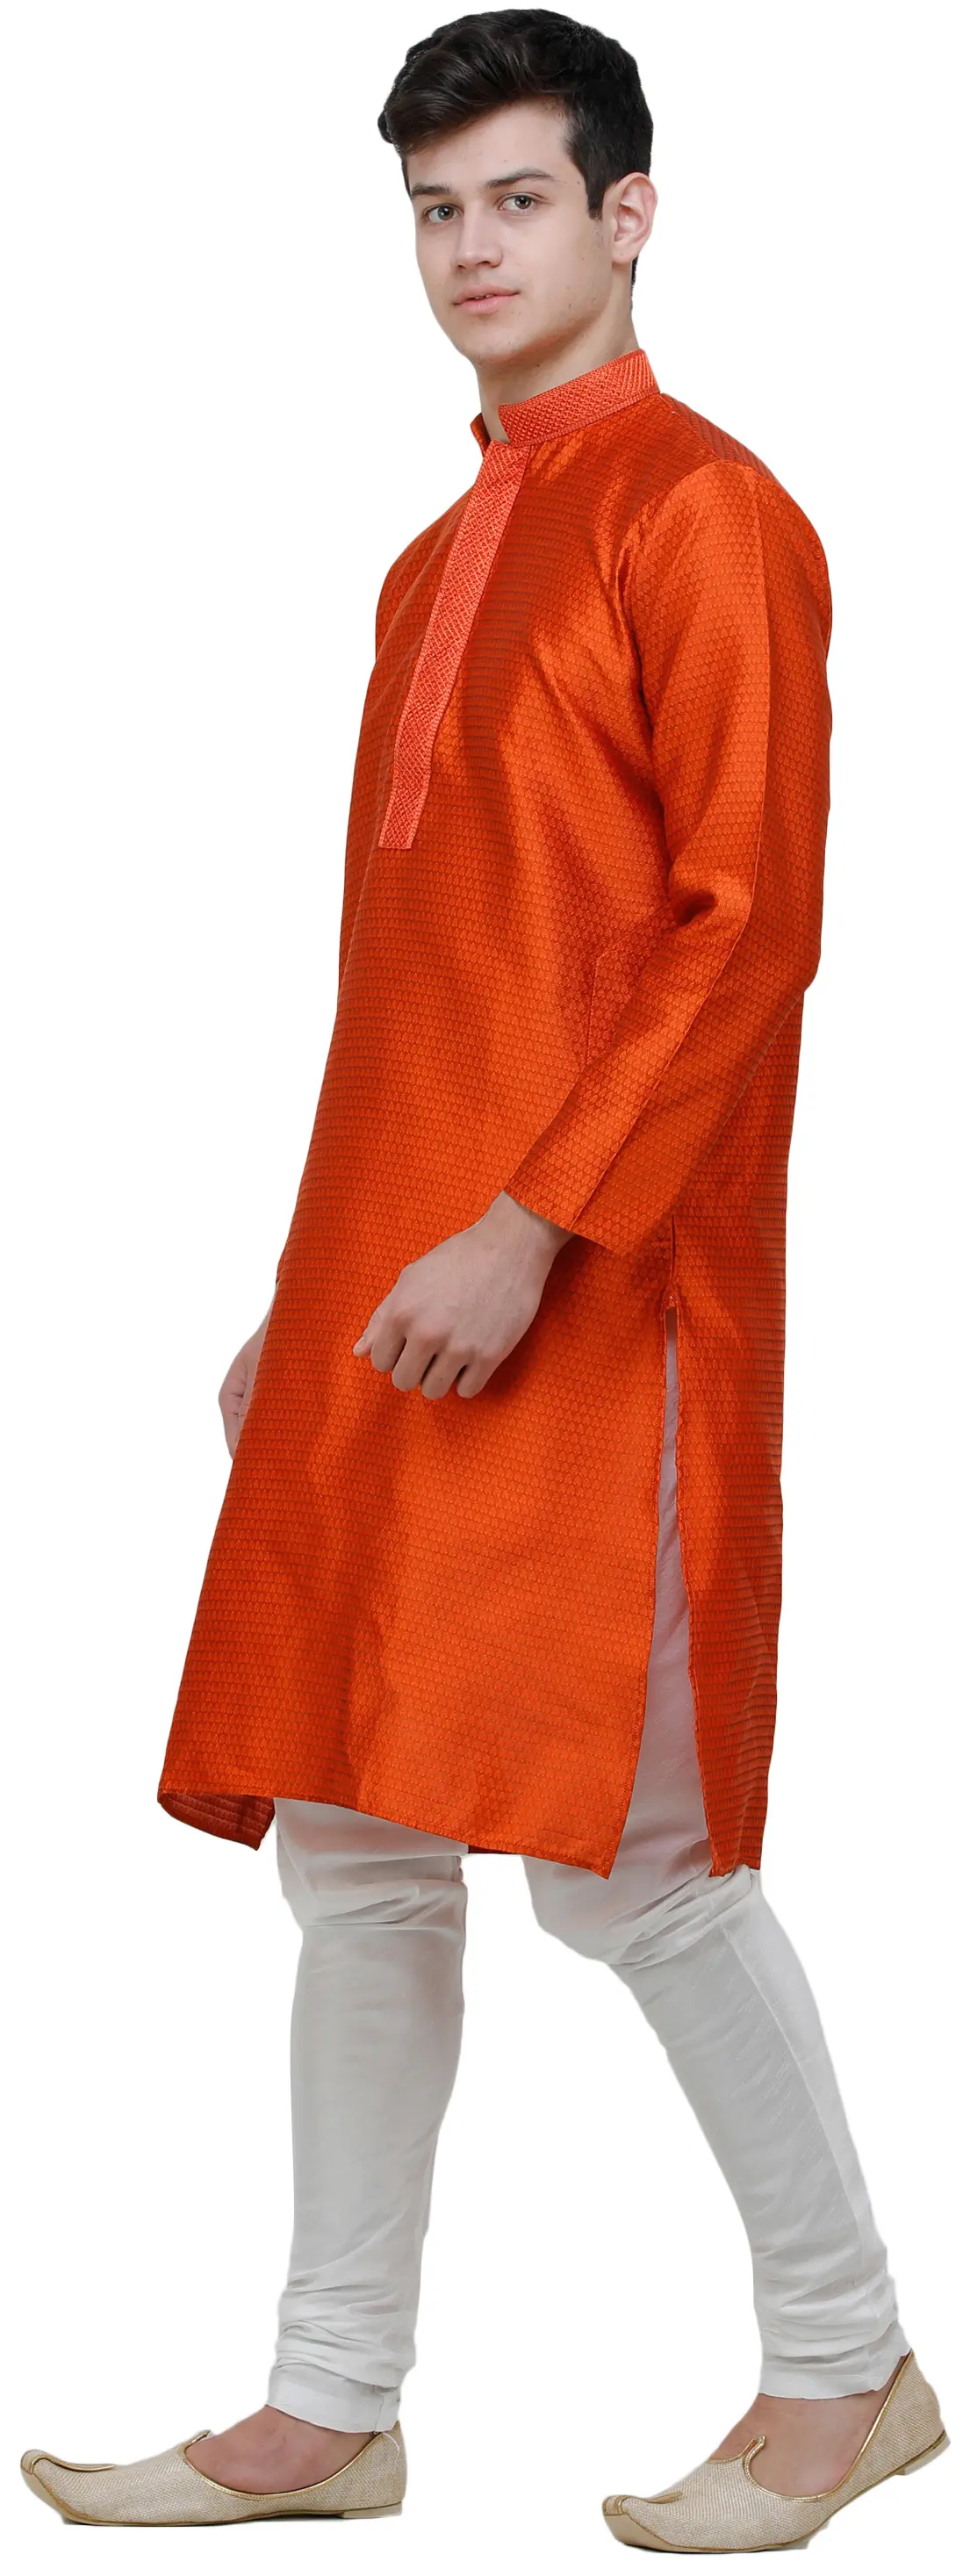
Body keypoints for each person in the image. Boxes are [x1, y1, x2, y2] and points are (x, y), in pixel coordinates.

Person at [21, 8, 948, 2547]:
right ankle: (331, 2403)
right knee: (348, 1842)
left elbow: (747, 930)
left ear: (628, 213)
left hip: (604, 1293)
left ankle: (848, 2363)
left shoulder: (709, 515)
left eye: (518, 198)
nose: (468, 250)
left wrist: (538, 1222)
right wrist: (312, 1284)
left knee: (636, 1864)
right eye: (434, 209)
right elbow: (424, 987)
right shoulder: (431, 565)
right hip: (404, 1288)